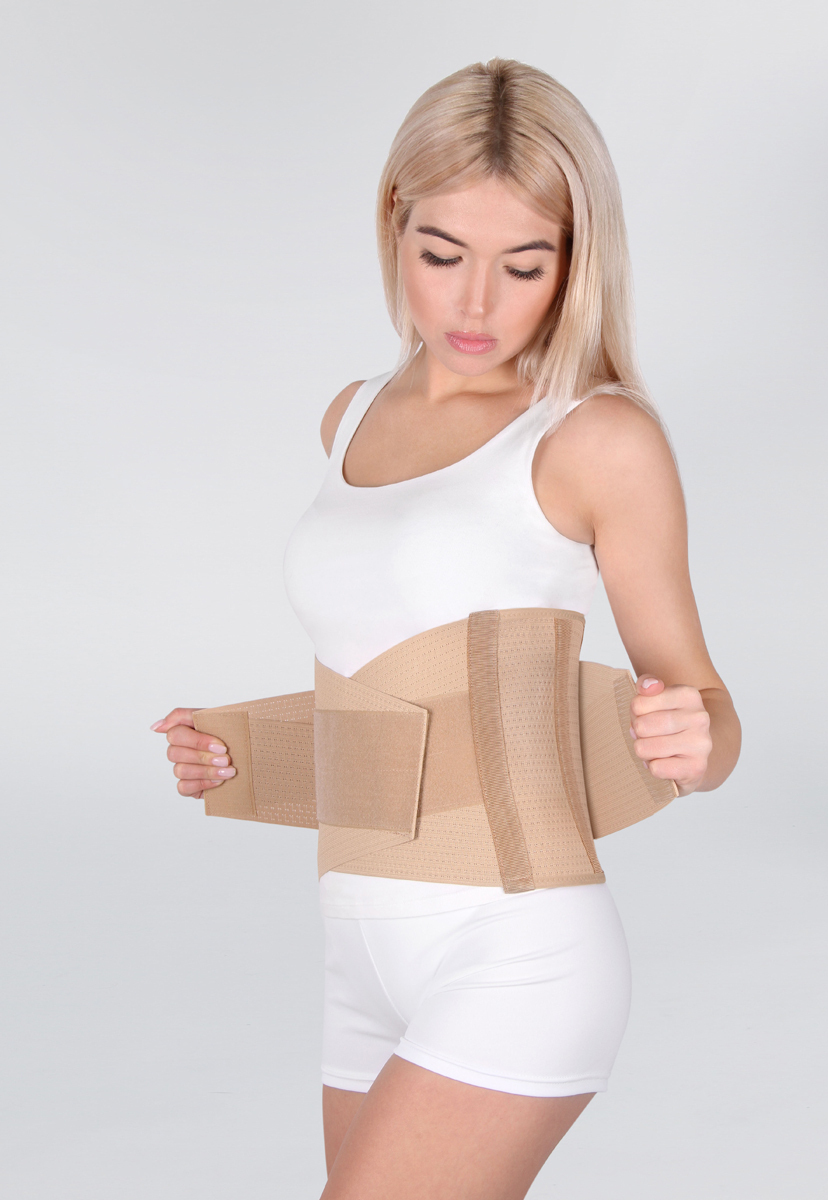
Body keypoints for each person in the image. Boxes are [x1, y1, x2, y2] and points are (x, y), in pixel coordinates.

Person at [152, 58, 741, 1200]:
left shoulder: (595, 438)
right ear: (394, 226)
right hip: (357, 954)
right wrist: (240, 753)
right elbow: (389, 693)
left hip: (516, 949)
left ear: (575, 261)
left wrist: (699, 740)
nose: (476, 306)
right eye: (442, 256)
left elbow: (706, 708)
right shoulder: (349, 417)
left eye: (523, 265)